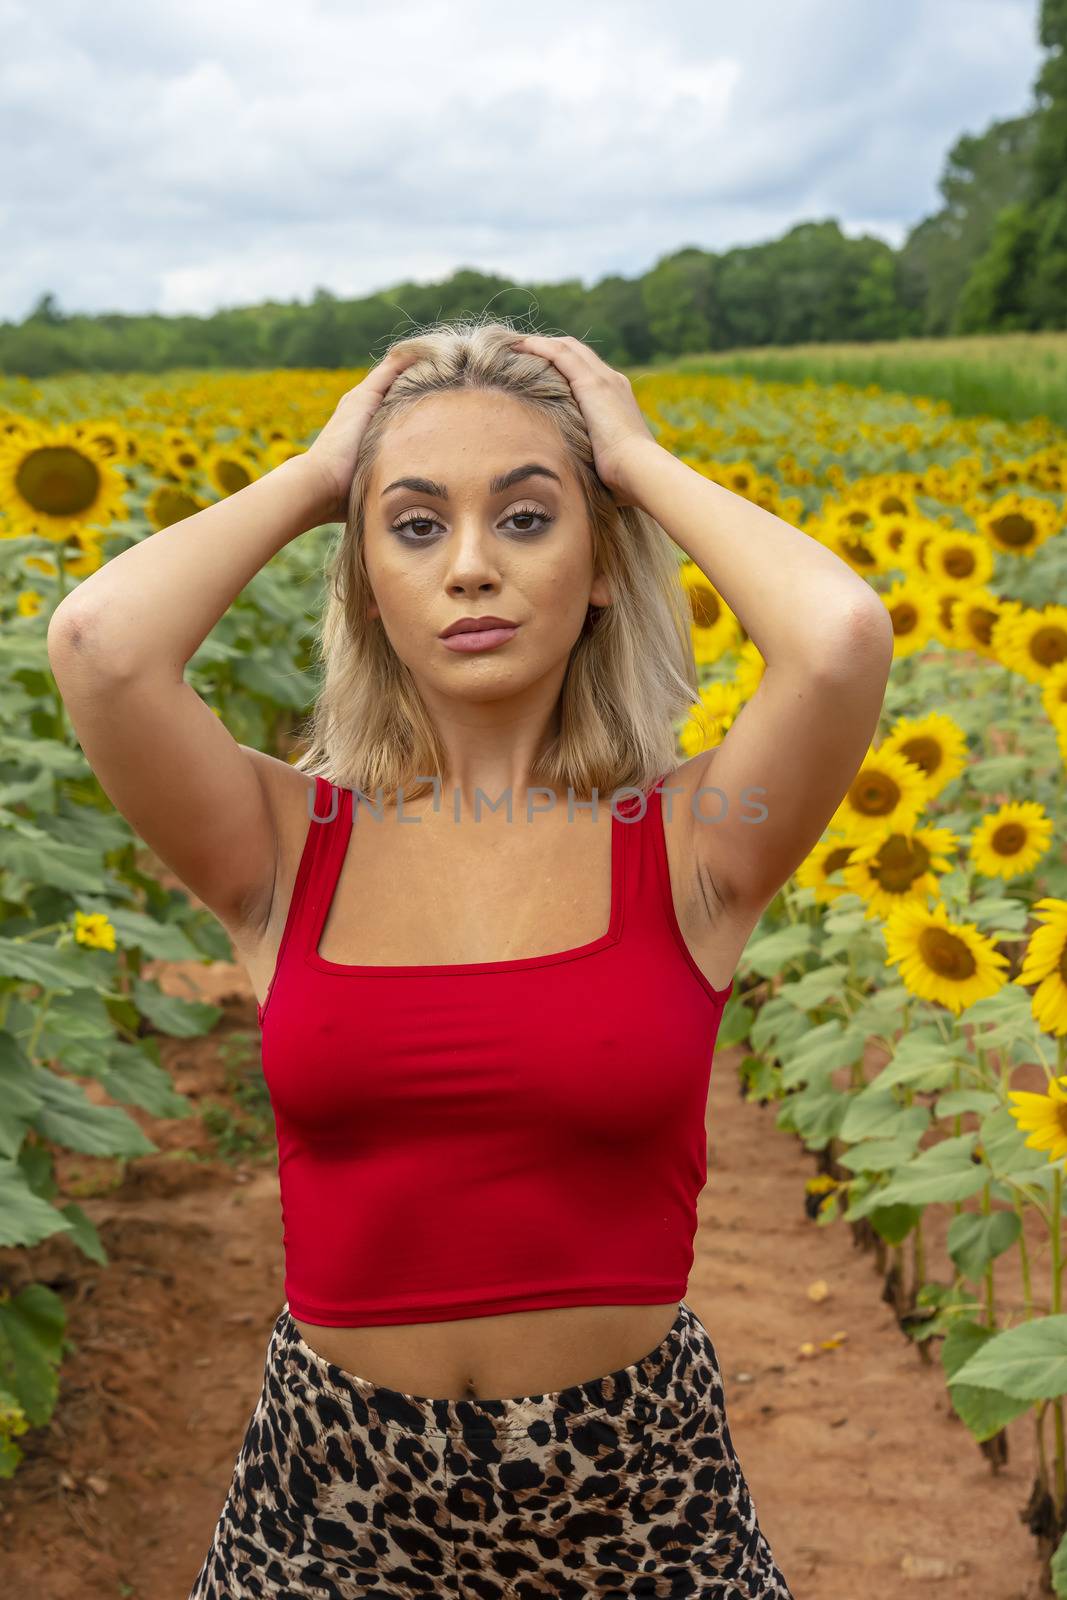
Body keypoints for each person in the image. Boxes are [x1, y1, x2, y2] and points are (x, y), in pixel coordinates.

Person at [47, 319, 892, 1598]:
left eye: (528, 517)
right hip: (327, 1506)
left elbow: (835, 637)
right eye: (417, 525)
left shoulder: (693, 841)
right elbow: (102, 644)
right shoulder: (280, 846)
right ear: (366, 579)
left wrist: (632, 456)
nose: (472, 568)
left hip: (641, 1506)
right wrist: (325, 470)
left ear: (599, 560)